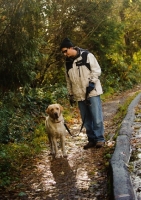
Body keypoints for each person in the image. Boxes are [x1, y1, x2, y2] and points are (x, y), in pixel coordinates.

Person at [60, 38, 105, 149]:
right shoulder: (67, 62)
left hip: (92, 92)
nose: (65, 54)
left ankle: (100, 139)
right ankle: (91, 139)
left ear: (71, 47)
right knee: (86, 120)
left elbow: (97, 70)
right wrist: (71, 94)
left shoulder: (86, 55)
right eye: (63, 52)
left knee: (97, 117)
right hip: (79, 95)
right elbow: (68, 80)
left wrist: (92, 83)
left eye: (66, 51)